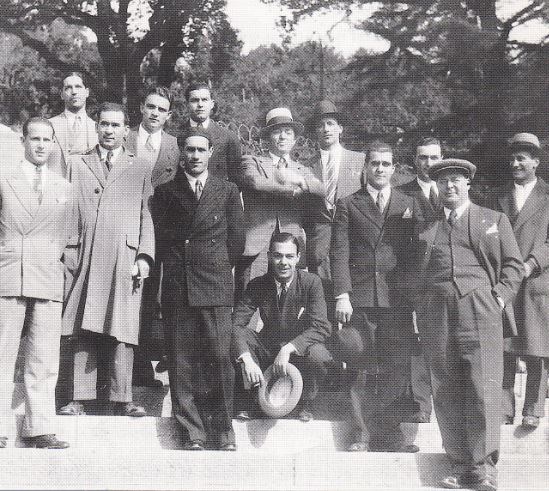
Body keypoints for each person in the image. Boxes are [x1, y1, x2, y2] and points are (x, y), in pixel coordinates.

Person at [412, 159, 523, 491]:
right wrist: (422, 307)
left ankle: (484, 467)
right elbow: (414, 273)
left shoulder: (493, 220)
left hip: (480, 310)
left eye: (456, 180)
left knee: (482, 386)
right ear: (437, 187)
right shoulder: (426, 228)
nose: (450, 186)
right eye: (443, 181)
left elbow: (514, 265)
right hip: (437, 313)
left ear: (468, 184)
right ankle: (459, 464)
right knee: (445, 387)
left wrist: (499, 297)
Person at [58, 102, 154, 417]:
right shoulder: (78, 163)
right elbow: (65, 210)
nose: (109, 131)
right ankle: (79, 398)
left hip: (123, 257)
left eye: (115, 125)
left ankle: (122, 399)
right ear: (96, 127)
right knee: (82, 324)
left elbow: (146, 215)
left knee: (121, 326)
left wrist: (144, 256)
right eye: (104, 124)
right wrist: (67, 252)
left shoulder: (139, 167)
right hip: (84, 253)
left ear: (126, 130)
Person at [152, 128, 244, 451]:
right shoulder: (165, 192)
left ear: (210, 153)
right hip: (179, 284)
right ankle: (192, 432)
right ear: (182, 153)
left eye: (200, 150)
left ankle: (223, 430)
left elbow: (237, 240)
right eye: (189, 150)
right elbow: (161, 241)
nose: (194, 156)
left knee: (219, 358)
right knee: (181, 361)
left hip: (214, 283)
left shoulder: (227, 190)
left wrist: (216, 265)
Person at [330, 140, 419, 453]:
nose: (380, 169)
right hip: (361, 296)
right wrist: (342, 294)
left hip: (396, 298)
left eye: (386, 164)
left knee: (396, 367)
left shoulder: (408, 203)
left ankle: (391, 436)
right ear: (365, 167)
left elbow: (414, 254)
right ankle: (361, 435)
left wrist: (414, 297)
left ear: (393, 168)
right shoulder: (348, 204)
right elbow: (339, 252)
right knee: (360, 364)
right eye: (375, 163)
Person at [0, 117, 75, 449]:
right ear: (23, 141)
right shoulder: (4, 181)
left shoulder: (63, 187)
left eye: (47, 139)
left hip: (47, 276)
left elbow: (69, 234)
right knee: (2, 352)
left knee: (43, 357)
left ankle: (40, 427)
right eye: (35, 139)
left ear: (54, 143)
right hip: (9, 273)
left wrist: (57, 264)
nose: (41, 145)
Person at [233, 232, 333, 422]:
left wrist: (289, 348)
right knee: (241, 339)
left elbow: (321, 327)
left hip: (299, 352)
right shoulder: (258, 285)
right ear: (269, 256)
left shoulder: (311, 283)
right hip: (269, 349)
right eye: (278, 256)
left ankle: (305, 403)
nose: (283, 262)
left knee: (318, 355)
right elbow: (236, 324)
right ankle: (253, 401)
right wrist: (247, 359)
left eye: (289, 256)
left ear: (298, 258)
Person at [489, 133, 549, 429]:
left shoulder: (547, 196)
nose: (515, 164)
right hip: (505, 279)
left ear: (536, 162)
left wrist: (532, 263)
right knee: (504, 346)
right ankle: (503, 408)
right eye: (512, 158)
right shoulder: (497, 196)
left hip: (537, 281)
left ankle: (533, 409)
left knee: (537, 346)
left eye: (522, 159)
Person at [236, 107, 324, 297]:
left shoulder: (302, 169)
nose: (283, 136)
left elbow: (321, 189)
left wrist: (301, 181)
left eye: (288, 132)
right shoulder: (252, 161)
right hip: (257, 247)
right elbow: (255, 182)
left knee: (289, 302)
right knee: (250, 302)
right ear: (268, 137)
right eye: (277, 131)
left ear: (294, 139)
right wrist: (291, 189)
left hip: (291, 247)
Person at [125, 86, 180, 387]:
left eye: (161, 109)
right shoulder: (125, 137)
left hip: (159, 231)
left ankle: (143, 364)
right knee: (124, 294)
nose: (155, 113)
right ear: (141, 108)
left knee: (150, 297)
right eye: (151, 106)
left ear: (168, 115)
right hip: (123, 225)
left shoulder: (176, 146)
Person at [304, 100, 365, 321]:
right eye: (320, 125)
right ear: (315, 131)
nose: (326, 129)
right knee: (322, 306)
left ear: (340, 128)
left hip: (352, 242)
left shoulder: (359, 161)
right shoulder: (306, 166)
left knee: (354, 306)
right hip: (319, 245)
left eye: (330, 123)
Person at [397, 136, 443, 424]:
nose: (428, 163)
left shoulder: (453, 190)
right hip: (411, 281)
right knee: (415, 344)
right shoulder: (401, 194)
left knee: (442, 341)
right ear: (415, 161)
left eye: (434, 157)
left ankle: (445, 402)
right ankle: (420, 404)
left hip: (443, 280)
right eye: (423, 158)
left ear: (442, 159)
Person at [181, 81, 241, 182]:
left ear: (212, 104)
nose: (200, 104)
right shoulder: (175, 136)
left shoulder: (228, 138)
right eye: (195, 100)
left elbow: (236, 180)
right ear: (187, 104)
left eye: (204, 100)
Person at [48, 72, 98, 177]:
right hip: (57, 184)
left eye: (78, 87)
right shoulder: (49, 125)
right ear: (61, 94)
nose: (74, 92)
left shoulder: (97, 128)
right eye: (68, 88)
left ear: (87, 92)